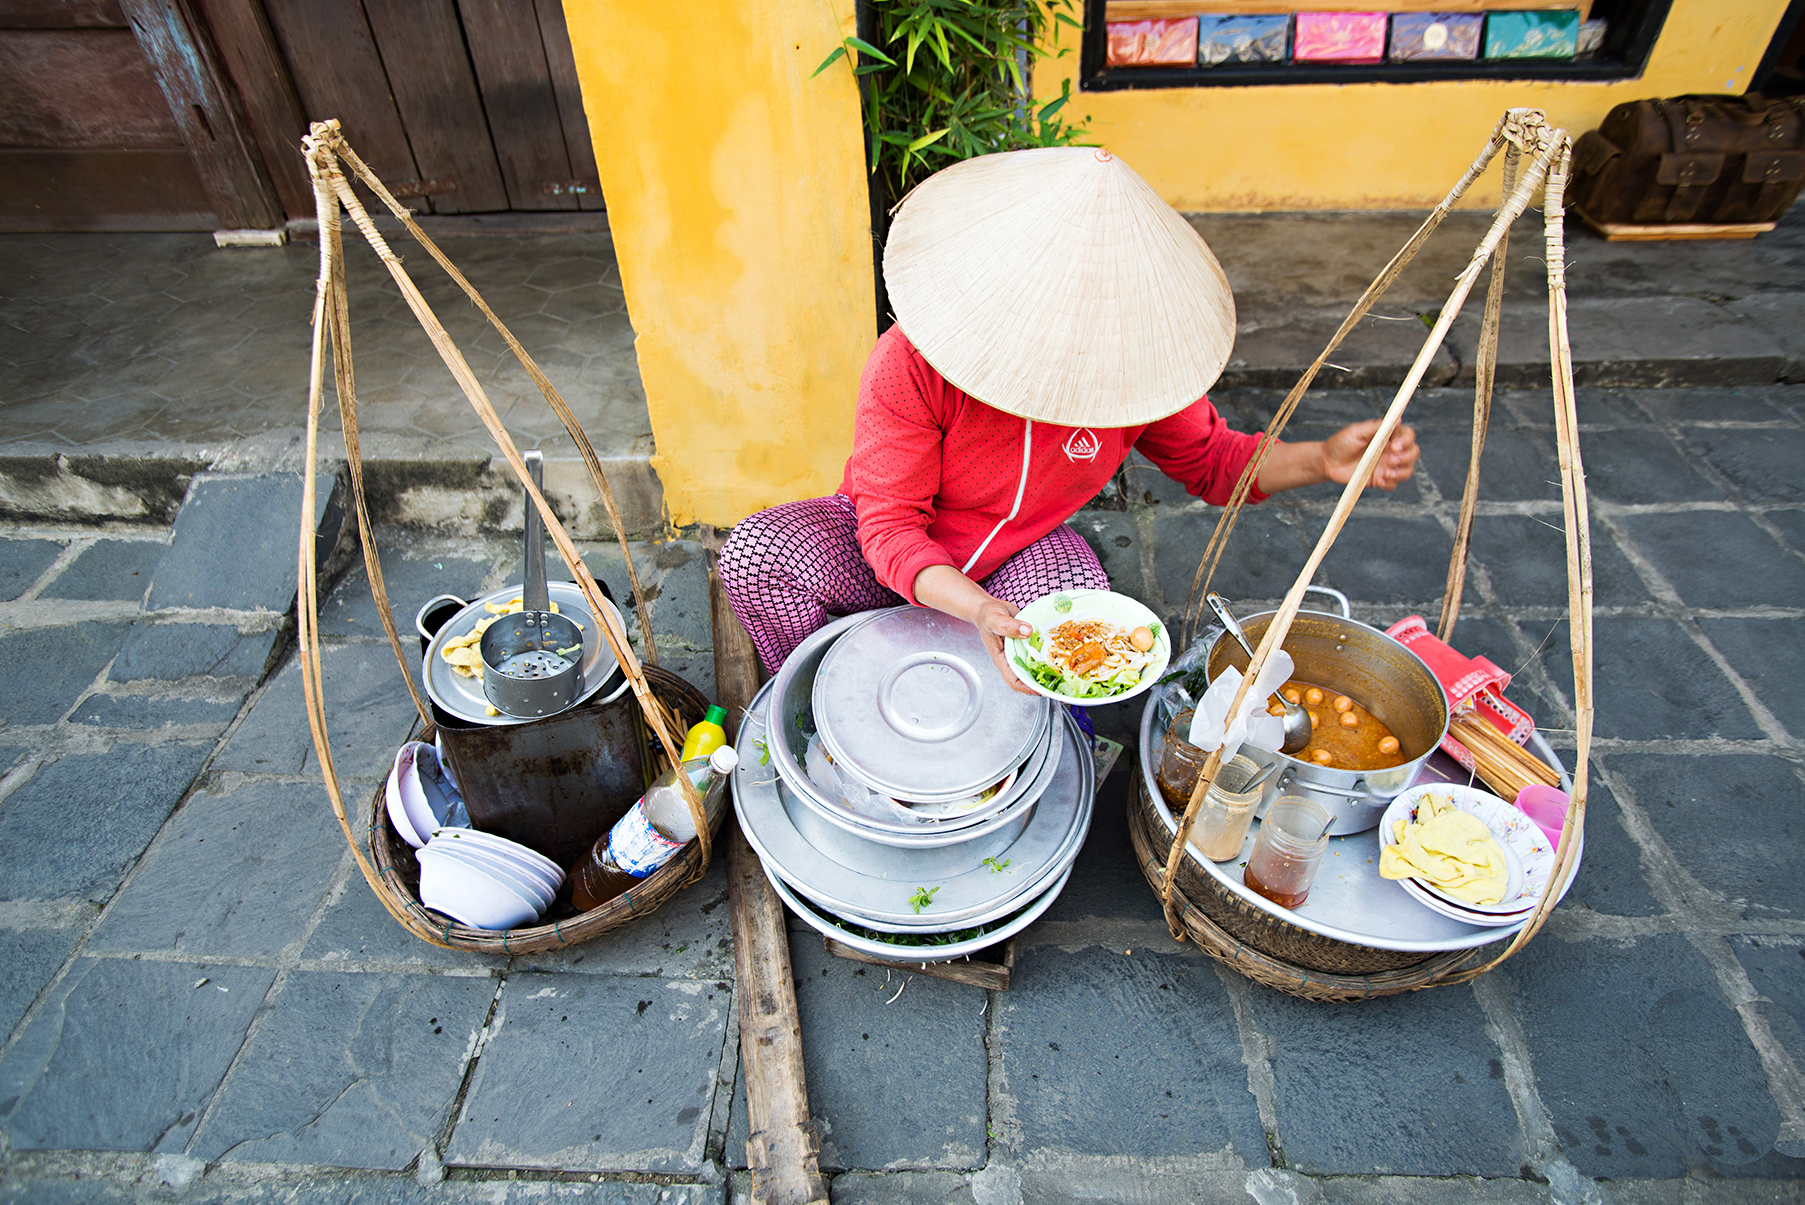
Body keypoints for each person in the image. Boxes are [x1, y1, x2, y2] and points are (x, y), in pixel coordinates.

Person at [719, 147, 1417, 694]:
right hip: (886, 552)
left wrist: (1321, 459)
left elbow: (1216, 463)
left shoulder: (1134, 369)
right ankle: (822, 690)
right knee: (754, 554)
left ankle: (1011, 719)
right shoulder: (910, 360)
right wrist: (973, 610)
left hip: (1014, 559)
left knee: (1076, 624)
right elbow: (890, 528)